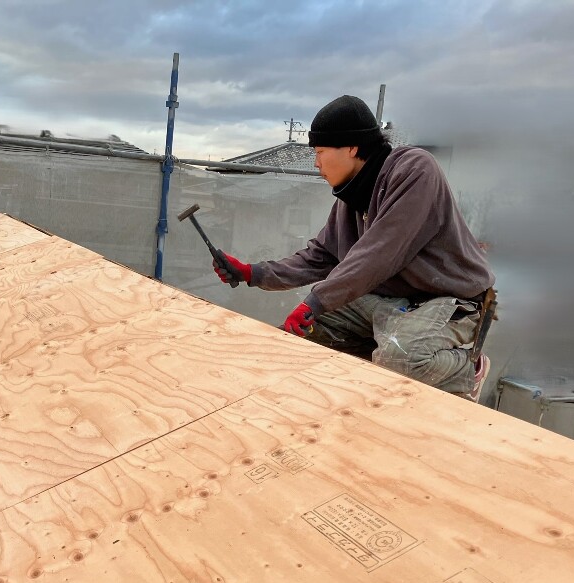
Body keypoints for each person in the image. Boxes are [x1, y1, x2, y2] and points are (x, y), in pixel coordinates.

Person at [212, 94, 495, 400]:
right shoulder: (353, 194)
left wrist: (316, 300)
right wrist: (254, 272)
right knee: (307, 332)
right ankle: (377, 359)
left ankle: (466, 369)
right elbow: (321, 255)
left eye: (320, 151)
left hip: (445, 301)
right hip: (390, 300)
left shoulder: (414, 171)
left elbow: (380, 252)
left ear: (352, 147)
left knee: (401, 359)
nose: (317, 163)